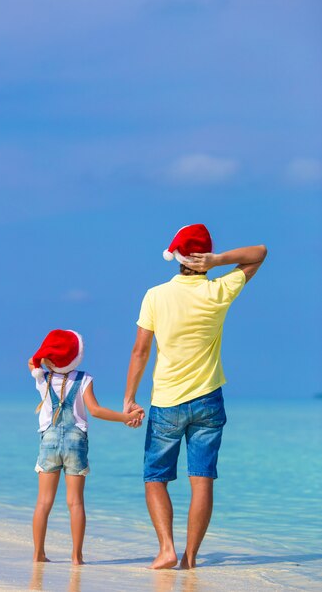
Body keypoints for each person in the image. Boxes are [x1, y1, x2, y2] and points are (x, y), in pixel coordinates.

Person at [123, 224, 267, 570]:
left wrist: (129, 398)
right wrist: (218, 261)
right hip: (208, 400)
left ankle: (166, 549)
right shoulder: (219, 291)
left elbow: (140, 351)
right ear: (202, 258)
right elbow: (259, 252)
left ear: (175, 257)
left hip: (167, 401)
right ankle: (190, 559)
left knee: (155, 478)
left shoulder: (155, 295)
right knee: (202, 479)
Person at [28, 328, 143, 565]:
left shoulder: (43, 377)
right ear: (75, 356)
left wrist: (44, 361)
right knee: (76, 502)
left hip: (48, 442)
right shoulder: (84, 379)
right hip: (76, 444)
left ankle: (38, 553)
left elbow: (31, 360)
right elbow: (96, 411)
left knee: (43, 502)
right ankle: (76, 556)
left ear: (50, 359)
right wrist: (125, 417)